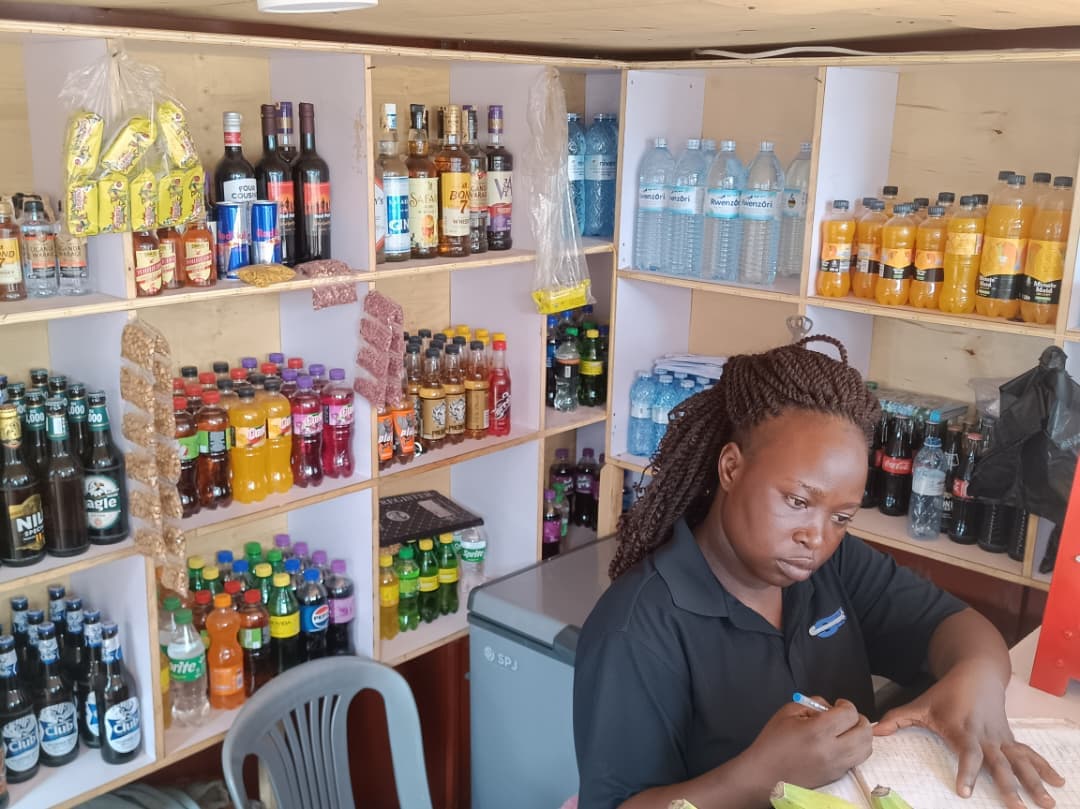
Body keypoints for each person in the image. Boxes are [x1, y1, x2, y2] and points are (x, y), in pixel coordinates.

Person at [573, 336, 1064, 809]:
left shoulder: (836, 566)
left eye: (841, 516)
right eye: (797, 501)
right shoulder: (636, 630)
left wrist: (977, 680)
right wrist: (760, 778)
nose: (817, 536)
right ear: (731, 467)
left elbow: (956, 627)